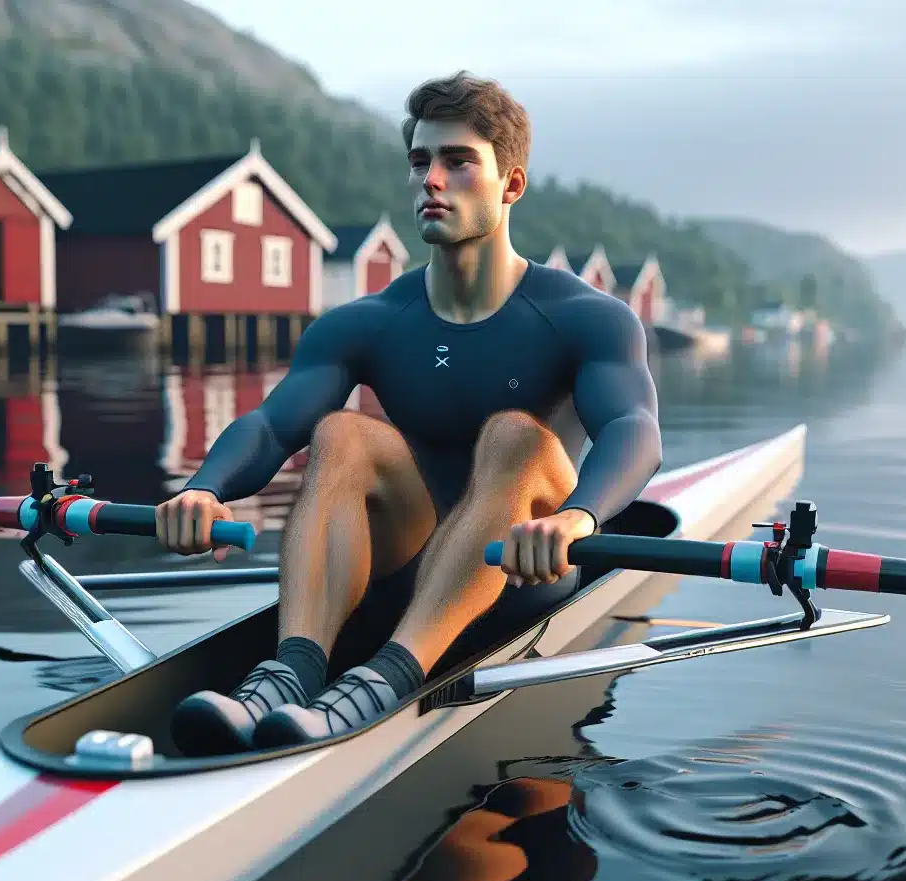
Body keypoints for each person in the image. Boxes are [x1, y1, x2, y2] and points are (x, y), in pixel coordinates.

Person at [157, 70, 662, 755]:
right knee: (340, 431)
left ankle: (387, 680)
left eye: (458, 163)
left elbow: (634, 430)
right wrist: (203, 490)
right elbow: (275, 427)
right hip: (407, 566)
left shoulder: (586, 317)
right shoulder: (369, 320)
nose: (431, 180)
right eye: (421, 162)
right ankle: (293, 670)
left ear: (511, 185)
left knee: (514, 436)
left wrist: (580, 516)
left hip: (524, 573)